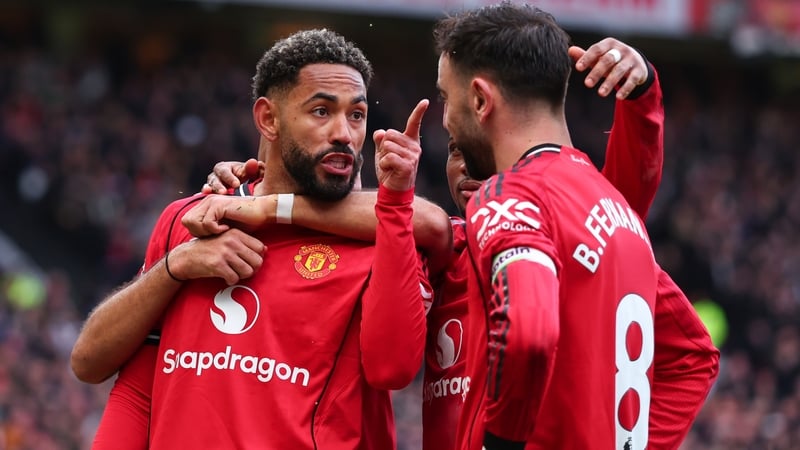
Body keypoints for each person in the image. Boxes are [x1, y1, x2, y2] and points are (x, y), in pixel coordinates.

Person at [201, 37, 717, 450]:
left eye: (473, 148)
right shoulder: (439, 253)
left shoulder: (539, 227)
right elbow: (416, 231)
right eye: (451, 152)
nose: (466, 165)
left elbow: (691, 355)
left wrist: (642, 96)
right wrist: (253, 187)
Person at [70, 28, 450, 449]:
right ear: (269, 119)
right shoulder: (193, 219)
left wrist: (392, 202)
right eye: (321, 111)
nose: (344, 132)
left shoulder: (382, 236)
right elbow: (126, 380)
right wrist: (174, 267)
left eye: (356, 115)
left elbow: (392, 369)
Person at [432, 3, 718, 449]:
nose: (446, 118)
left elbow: (528, 333)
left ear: (480, 100)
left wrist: (500, 442)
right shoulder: (614, 209)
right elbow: (691, 358)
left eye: (447, 99)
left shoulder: (509, 197)